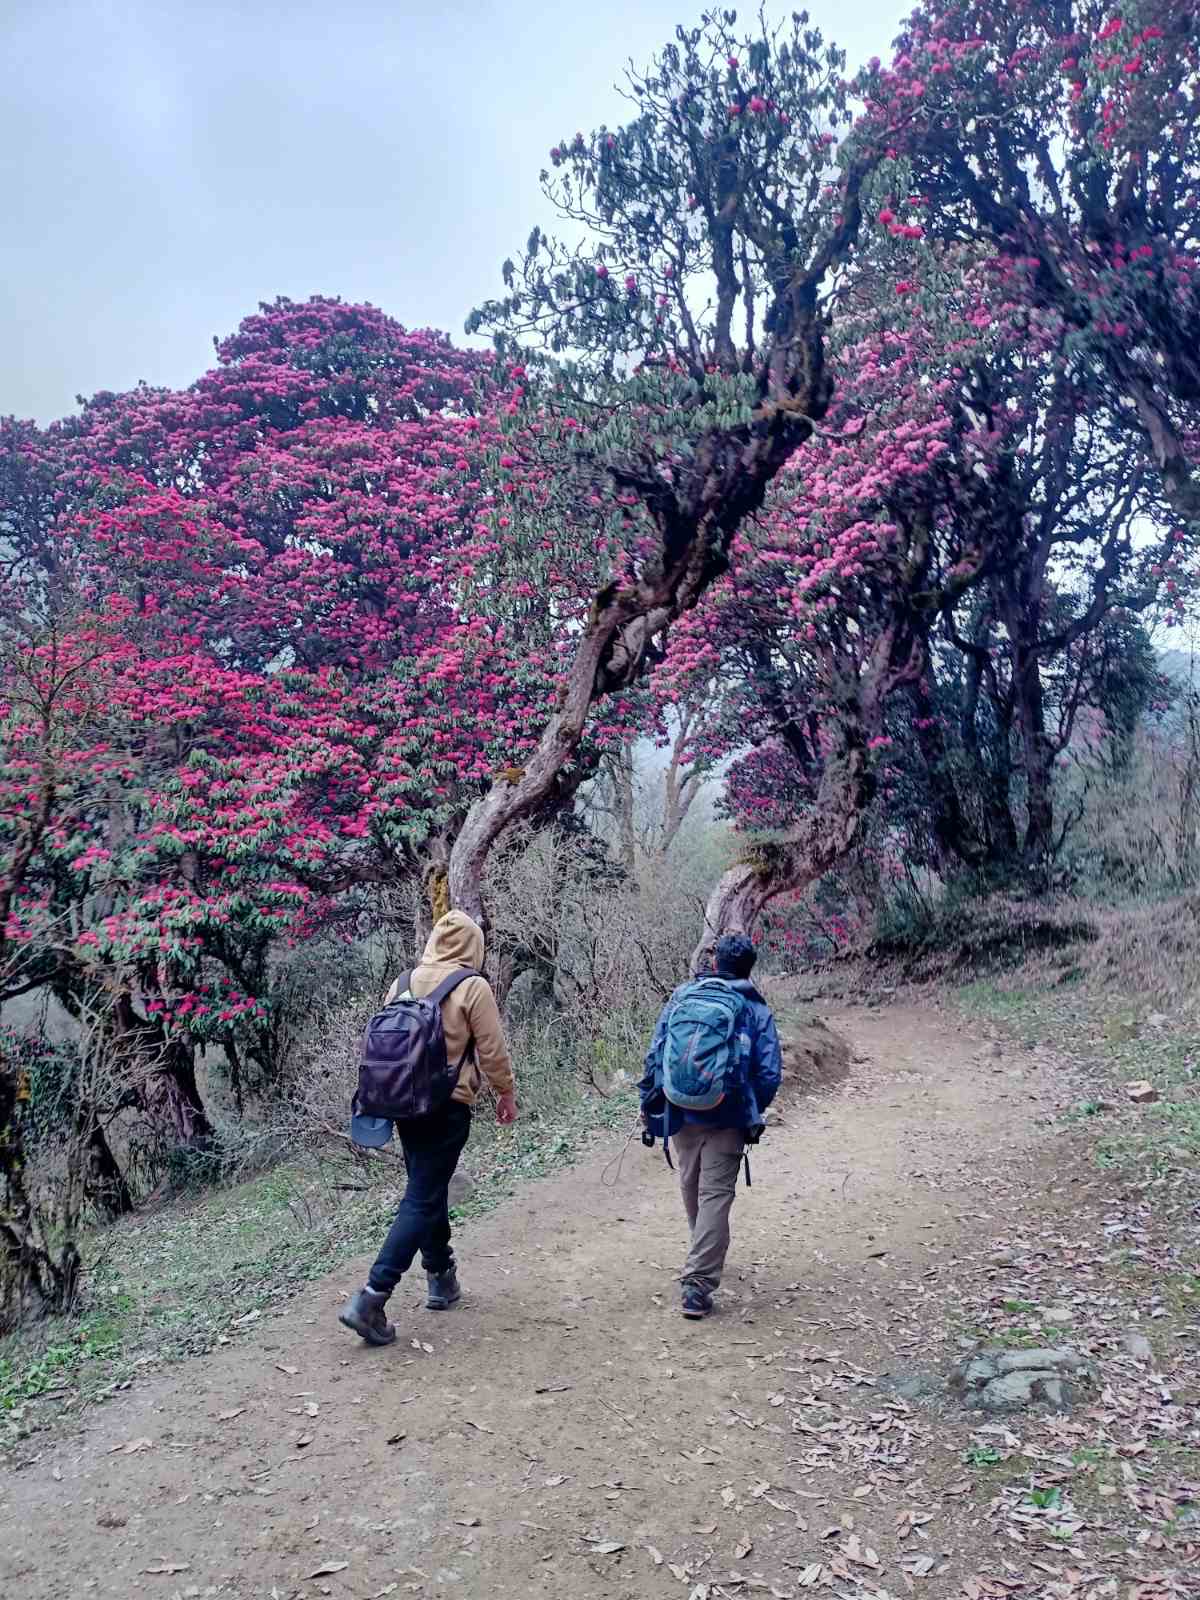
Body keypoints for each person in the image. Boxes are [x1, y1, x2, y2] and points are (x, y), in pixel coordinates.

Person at [339, 910, 517, 1347]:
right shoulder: (472, 987)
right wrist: (506, 1092)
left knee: (427, 1186)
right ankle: (372, 1296)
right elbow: (492, 1050)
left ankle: (441, 1277)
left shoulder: (401, 984)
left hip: (403, 1106)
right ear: (472, 945)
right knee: (421, 1196)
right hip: (447, 1106)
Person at [639, 933, 782, 1320]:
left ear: (715, 962)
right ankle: (698, 1284)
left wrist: (650, 1102)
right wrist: (751, 1107)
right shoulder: (755, 1009)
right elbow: (769, 1073)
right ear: (750, 967)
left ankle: (702, 1251)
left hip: (682, 1111)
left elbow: (657, 1052)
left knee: (691, 1182)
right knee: (715, 1193)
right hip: (730, 1115)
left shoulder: (684, 996)